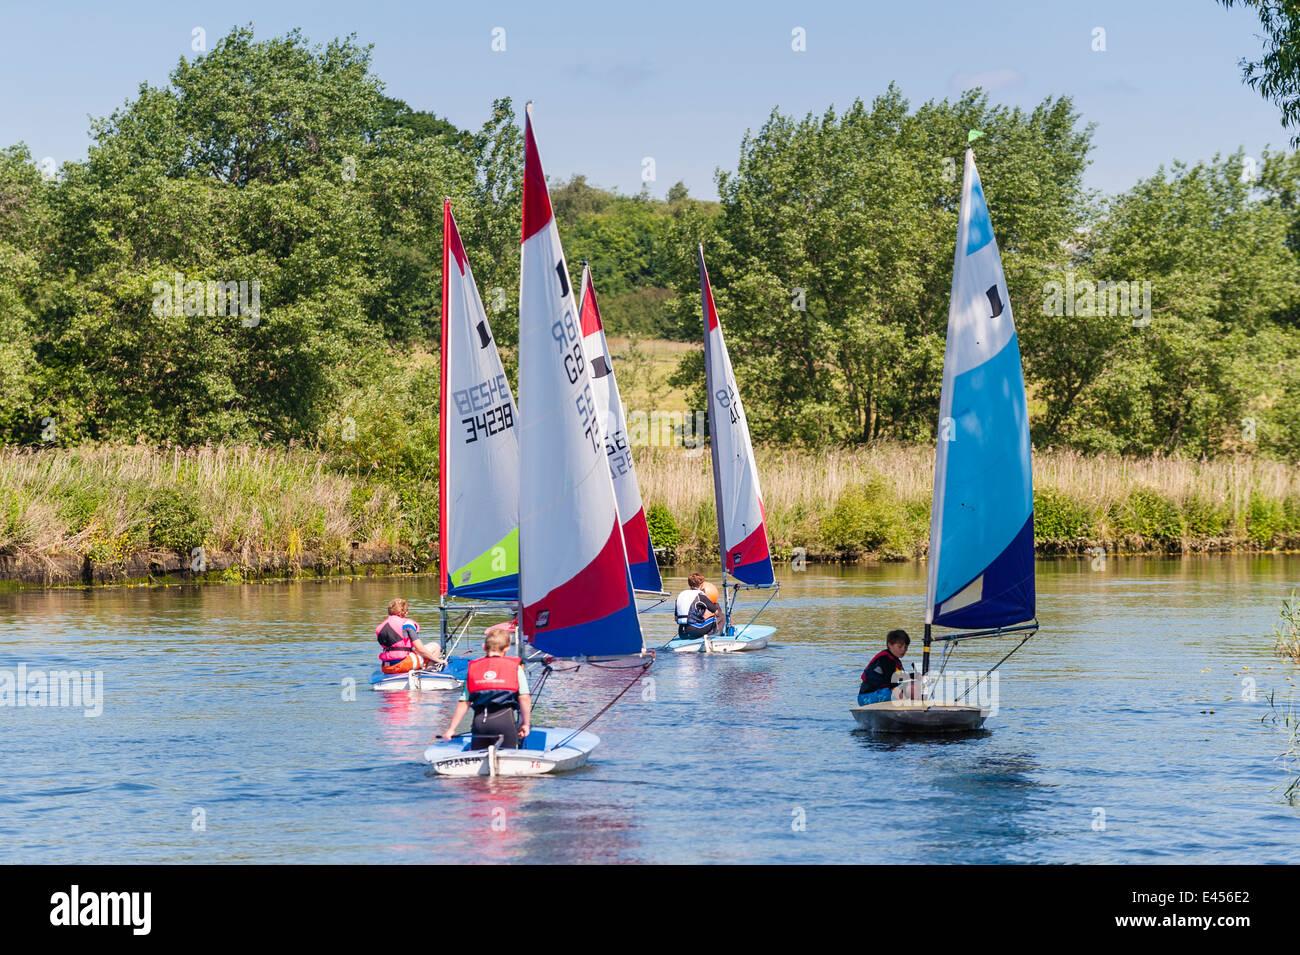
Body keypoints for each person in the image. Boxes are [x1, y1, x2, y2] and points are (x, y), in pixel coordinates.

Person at [440, 624, 531, 751]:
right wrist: (526, 723)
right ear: (506, 648)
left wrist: (451, 729)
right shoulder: (515, 668)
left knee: (478, 761)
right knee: (507, 758)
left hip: (479, 725)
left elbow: (464, 702)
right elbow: (524, 697)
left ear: (484, 647)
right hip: (505, 723)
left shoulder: (473, 669)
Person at [376, 598, 444, 674]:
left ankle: (421, 667)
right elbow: (420, 649)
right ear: (404, 612)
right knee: (435, 646)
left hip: (386, 667)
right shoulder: (407, 624)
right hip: (403, 665)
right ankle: (430, 671)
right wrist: (439, 660)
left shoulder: (380, 627)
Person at [857, 629, 922, 704]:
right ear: (889, 645)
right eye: (900, 647)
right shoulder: (886, 660)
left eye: (906, 647)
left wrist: (913, 676)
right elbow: (893, 686)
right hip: (867, 698)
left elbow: (897, 677)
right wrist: (907, 704)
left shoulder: (893, 658)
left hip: (880, 692)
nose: (903, 650)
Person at [674, 573, 720, 639]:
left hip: (681, 632)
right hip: (694, 630)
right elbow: (716, 613)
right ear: (701, 585)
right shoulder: (700, 596)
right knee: (719, 617)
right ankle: (715, 638)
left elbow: (676, 619)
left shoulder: (681, 595)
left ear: (689, 584)